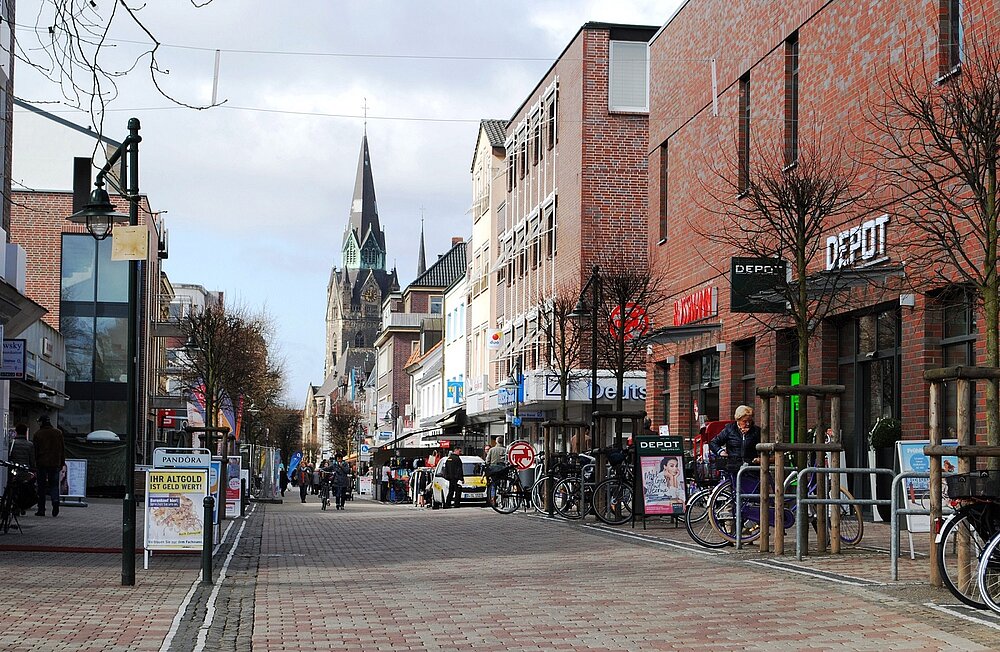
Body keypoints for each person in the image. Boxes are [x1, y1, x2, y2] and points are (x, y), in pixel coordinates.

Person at [33, 414, 65, 517]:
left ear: (41, 422)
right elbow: (62, 449)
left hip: (41, 463)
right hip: (55, 463)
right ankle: (55, 501)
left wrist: (34, 463)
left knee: (41, 487)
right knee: (54, 485)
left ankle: (41, 509)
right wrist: (62, 462)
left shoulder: (38, 434)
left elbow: (35, 450)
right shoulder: (58, 433)